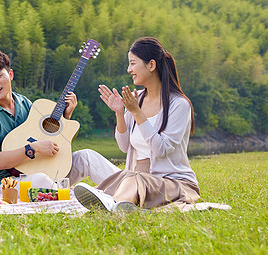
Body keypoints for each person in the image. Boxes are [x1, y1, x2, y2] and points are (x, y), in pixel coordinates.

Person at [74, 37, 199, 212]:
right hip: (137, 177)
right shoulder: (137, 99)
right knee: (128, 178)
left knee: (132, 180)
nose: (129, 69)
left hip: (172, 183)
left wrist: (136, 113)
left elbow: (161, 150)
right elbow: (124, 146)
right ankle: (118, 206)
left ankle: (112, 205)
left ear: (151, 65)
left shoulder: (179, 104)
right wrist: (119, 113)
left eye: (133, 63)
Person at [0, 49, 119, 186]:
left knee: (87, 157)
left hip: (43, 169)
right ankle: (66, 195)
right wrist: (33, 148)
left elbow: (47, 138)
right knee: (42, 179)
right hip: (6, 184)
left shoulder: (23, 102)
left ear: (10, 75)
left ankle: (129, 188)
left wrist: (66, 115)